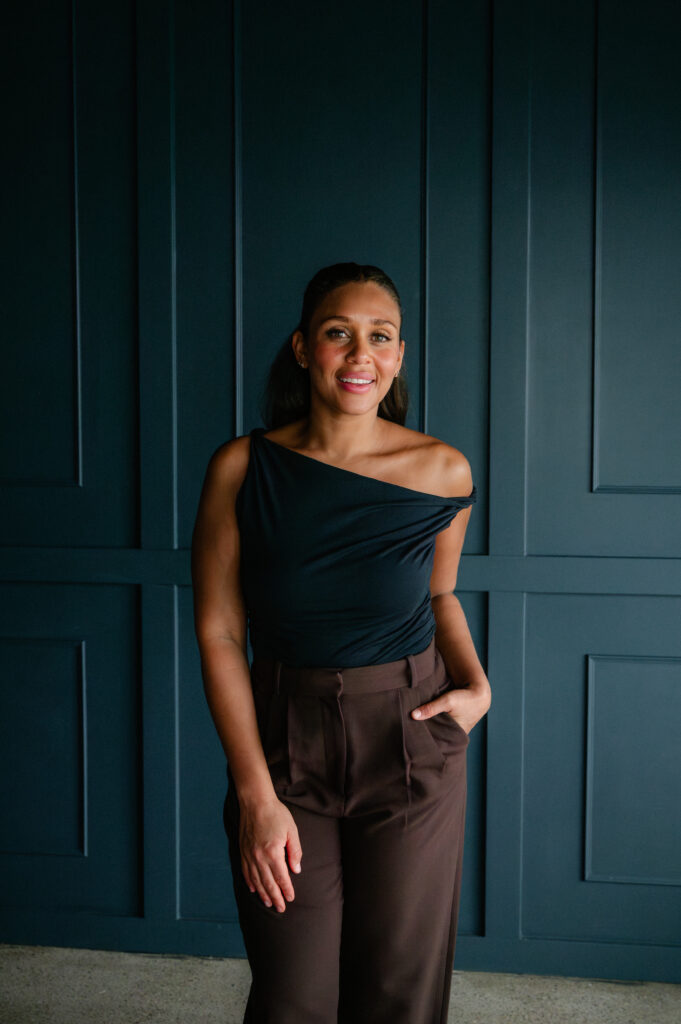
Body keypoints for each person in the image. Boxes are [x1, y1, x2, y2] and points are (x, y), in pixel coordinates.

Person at [191, 262, 491, 1023]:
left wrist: (476, 683)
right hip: (286, 741)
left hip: (410, 738)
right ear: (302, 349)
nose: (361, 355)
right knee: (294, 997)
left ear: (397, 357)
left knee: (398, 993)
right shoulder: (241, 467)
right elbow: (221, 631)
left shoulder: (441, 470)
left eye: (380, 337)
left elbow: (440, 593)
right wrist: (257, 795)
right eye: (338, 334)